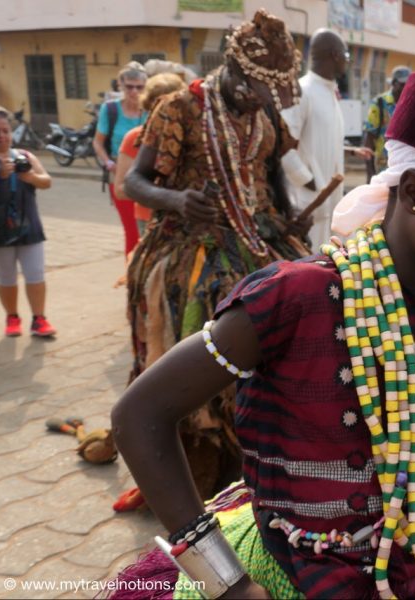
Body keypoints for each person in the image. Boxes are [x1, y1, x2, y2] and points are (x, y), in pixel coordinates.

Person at [111, 73, 415, 600]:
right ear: (412, 192)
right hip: (303, 568)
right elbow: (140, 414)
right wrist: (224, 584)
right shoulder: (296, 297)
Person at [122, 9, 307, 501]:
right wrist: (177, 199)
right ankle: (197, 463)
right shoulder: (181, 108)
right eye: (251, 87)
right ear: (232, 68)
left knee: (306, 304)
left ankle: (272, 457)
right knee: (215, 318)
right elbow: (133, 181)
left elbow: (273, 176)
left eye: (266, 94)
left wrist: (290, 222)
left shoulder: (263, 109)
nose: (258, 100)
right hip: (195, 240)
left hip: (262, 235)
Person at [281, 29, 373, 249]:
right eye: (346, 56)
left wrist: (350, 151)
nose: (347, 62)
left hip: (331, 207)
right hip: (308, 207)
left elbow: (319, 140)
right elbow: (283, 145)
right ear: (334, 55)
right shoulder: (303, 91)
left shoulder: (329, 93)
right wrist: (307, 180)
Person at [0, 108, 55, 338]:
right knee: (6, 276)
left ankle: (39, 318)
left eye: (5, 131)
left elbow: (46, 181)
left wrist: (29, 176)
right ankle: (12, 317)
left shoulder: (25, 156)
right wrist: (0, 178)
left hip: (29, 226)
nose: (1, 136)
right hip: (0, 230)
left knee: (35, 273)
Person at [114, 72, 187, 236]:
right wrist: (166, 196)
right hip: (150, 218)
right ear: (150, 106)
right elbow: (120, 189)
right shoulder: (135, 137)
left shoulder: (193, 136)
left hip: (186, 217)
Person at [93, 62, 148, 258]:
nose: (134, 91)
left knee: (150, 231)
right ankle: (131, 276)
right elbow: (98, 142)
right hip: (120, 173)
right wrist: (108, 162)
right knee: (132, 231)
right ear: (120, 86)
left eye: (139, 87)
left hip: (146, 174)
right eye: (129, 86)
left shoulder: (150, 109)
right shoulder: (110, 110)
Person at [363, 65, 412, 182]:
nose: (407, 88)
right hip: (383, 168)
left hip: (406, 167)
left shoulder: (410, 104)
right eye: (403, 84)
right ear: (394, 83)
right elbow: (369, 140)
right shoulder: (379, 103)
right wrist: (370, 174)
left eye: (410, 84)